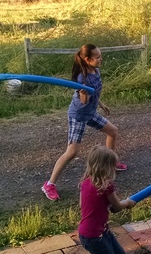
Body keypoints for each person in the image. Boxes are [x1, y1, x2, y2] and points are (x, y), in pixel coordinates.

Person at [42, 44, 126, 201]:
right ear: (87, 59)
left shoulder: (95, 71)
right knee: (72, 152)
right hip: (79, 114)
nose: (101, 59)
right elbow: (84, 101)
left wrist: (101, 104)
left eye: (100, 56)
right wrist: (83, 94)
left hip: (91, 112)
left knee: (112, 131)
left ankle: (110, 164)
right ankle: (49, 184)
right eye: (98, 57)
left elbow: (96, 91)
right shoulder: (83, 79)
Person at [66, 145, 141, 254]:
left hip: (98, 232)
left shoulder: (86, 182)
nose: (114, 169)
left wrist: (102, 206)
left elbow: (83, 205)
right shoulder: (106, 187)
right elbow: (118, 207)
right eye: (112, 166)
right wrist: (128, 202)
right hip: (94, 237)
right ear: (105, 167)